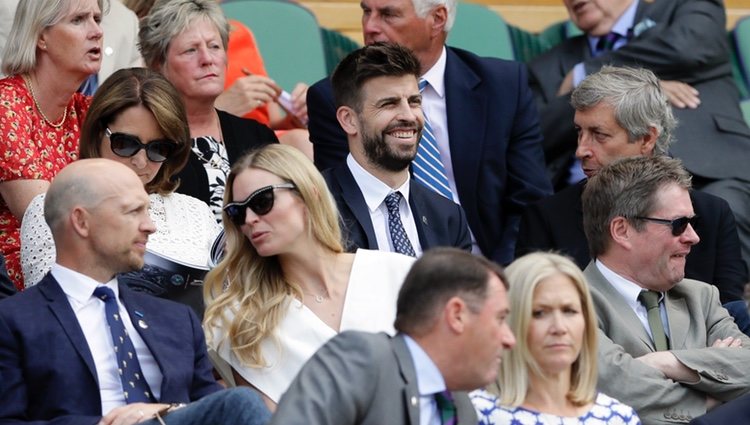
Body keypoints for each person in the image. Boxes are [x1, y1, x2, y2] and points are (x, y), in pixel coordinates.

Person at [0, 159, 270, 424]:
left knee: (241, 403)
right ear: (81, 221)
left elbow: (214, 413)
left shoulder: (178, 320)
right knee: (243, 401)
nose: (150, 226)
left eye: (148, 212)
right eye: (133, 212)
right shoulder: (13, 321)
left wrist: (165, 412)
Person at [306, 0, 552, 265]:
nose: (370, 26)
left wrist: (498, 281)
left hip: (496, 266)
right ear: (347, 119)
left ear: (437, 18)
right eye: (366, 11)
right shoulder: (331, 97)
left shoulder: (503, 85)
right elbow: (345, 208)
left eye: (388, 14)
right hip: (384, 267)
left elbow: (531, 202)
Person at [516, 66, 750, 331]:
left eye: (599, 135)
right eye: (579, 132)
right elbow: (538, 325)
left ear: (647, 138)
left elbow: (730, 327)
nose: (581, 149)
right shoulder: (546, 219)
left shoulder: (711, 216)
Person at [529, 0, 750, 272]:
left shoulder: (686, 11)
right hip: (588, 193)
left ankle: (729, 307)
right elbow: (533, 130)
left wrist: (589, 73)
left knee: (721, 210)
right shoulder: (550, 64)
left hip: (709, 174)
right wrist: (606, 96)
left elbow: (688, 49)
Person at [203, 144, 416, 410]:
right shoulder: (241, 320)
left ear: (308, 194)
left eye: (262, 202)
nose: (250, 219)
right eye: (237, 212)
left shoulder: (397, 273)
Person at [20, 68, 219, 315]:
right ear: (97, 134)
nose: (140, 161)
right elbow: (48, 310)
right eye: (125, 144)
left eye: (158, 148)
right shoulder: (52, 206)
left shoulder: (197, 213)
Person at [581, 155, 750, 423]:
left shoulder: (701, 297)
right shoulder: (572, 304)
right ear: (622, 230)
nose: (693, 237)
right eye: (679, 224)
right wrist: (711, 396)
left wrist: (667, 362)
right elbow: (615, 391)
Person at [269, 247, 516, 425]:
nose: (509, 339)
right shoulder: (364, 360)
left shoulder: (462, 409)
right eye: (500, 318)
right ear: (456, 315)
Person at [323, 42, 470, 255]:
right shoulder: (315, 206)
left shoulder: (448, 216)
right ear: (349, 120)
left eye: (414, 102)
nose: (409, 116)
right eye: (389, 104)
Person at [138, 0, 278, 220]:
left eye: (214, 46)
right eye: (190, 50)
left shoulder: (258, 136)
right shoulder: (144, 143)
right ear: (158, 64)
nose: (207, 59)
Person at [0, 0, 103, 289]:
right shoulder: (6, 105)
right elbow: (45, 219)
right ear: (41, 36)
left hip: (82, 277)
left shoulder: (87, 110)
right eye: (79, 20)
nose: (96, 31)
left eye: (97, 18)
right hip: (17, 293)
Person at [471, 252, 640, 424]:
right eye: (539, 313)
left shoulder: (619, 417)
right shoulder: (474, 414)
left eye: (569, 311)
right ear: (510, 322)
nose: (559, 328)